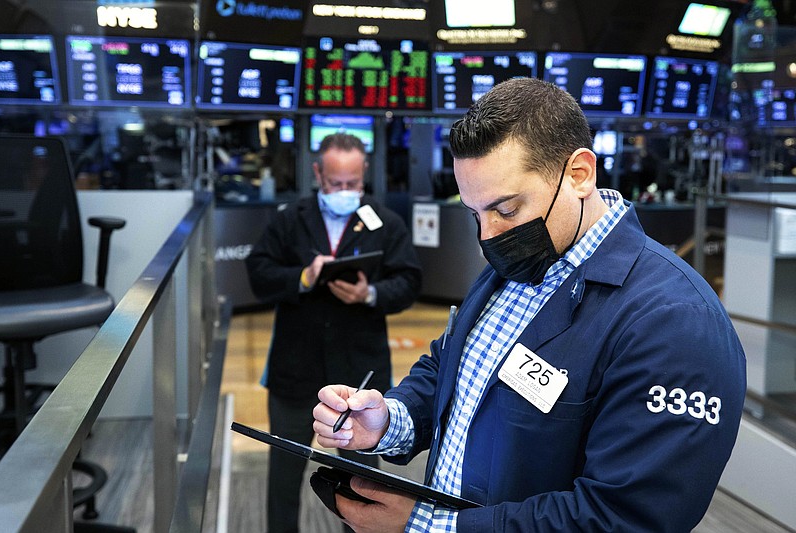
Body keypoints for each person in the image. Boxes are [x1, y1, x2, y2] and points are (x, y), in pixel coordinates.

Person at [311, 78, 746, 532]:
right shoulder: (523, 258)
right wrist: (388, 420)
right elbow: (452, 367)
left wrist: (431, 528)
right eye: (475, 213)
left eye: (507, 208)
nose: (488, 236)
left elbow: (624, 517)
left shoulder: (675, 322)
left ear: (579, 174)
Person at [246, 132, 422, 533]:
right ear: (317, 174)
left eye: (353, 184)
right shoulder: (290, 219)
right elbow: (259, 274)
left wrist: (370, 292)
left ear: (364, 177)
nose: (345, 191)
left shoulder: (385, 222)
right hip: (295, 370)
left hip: (359, 374)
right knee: (285, 471)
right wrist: (303, 277)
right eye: (335, 183)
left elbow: (409, 281)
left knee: (361, 483)